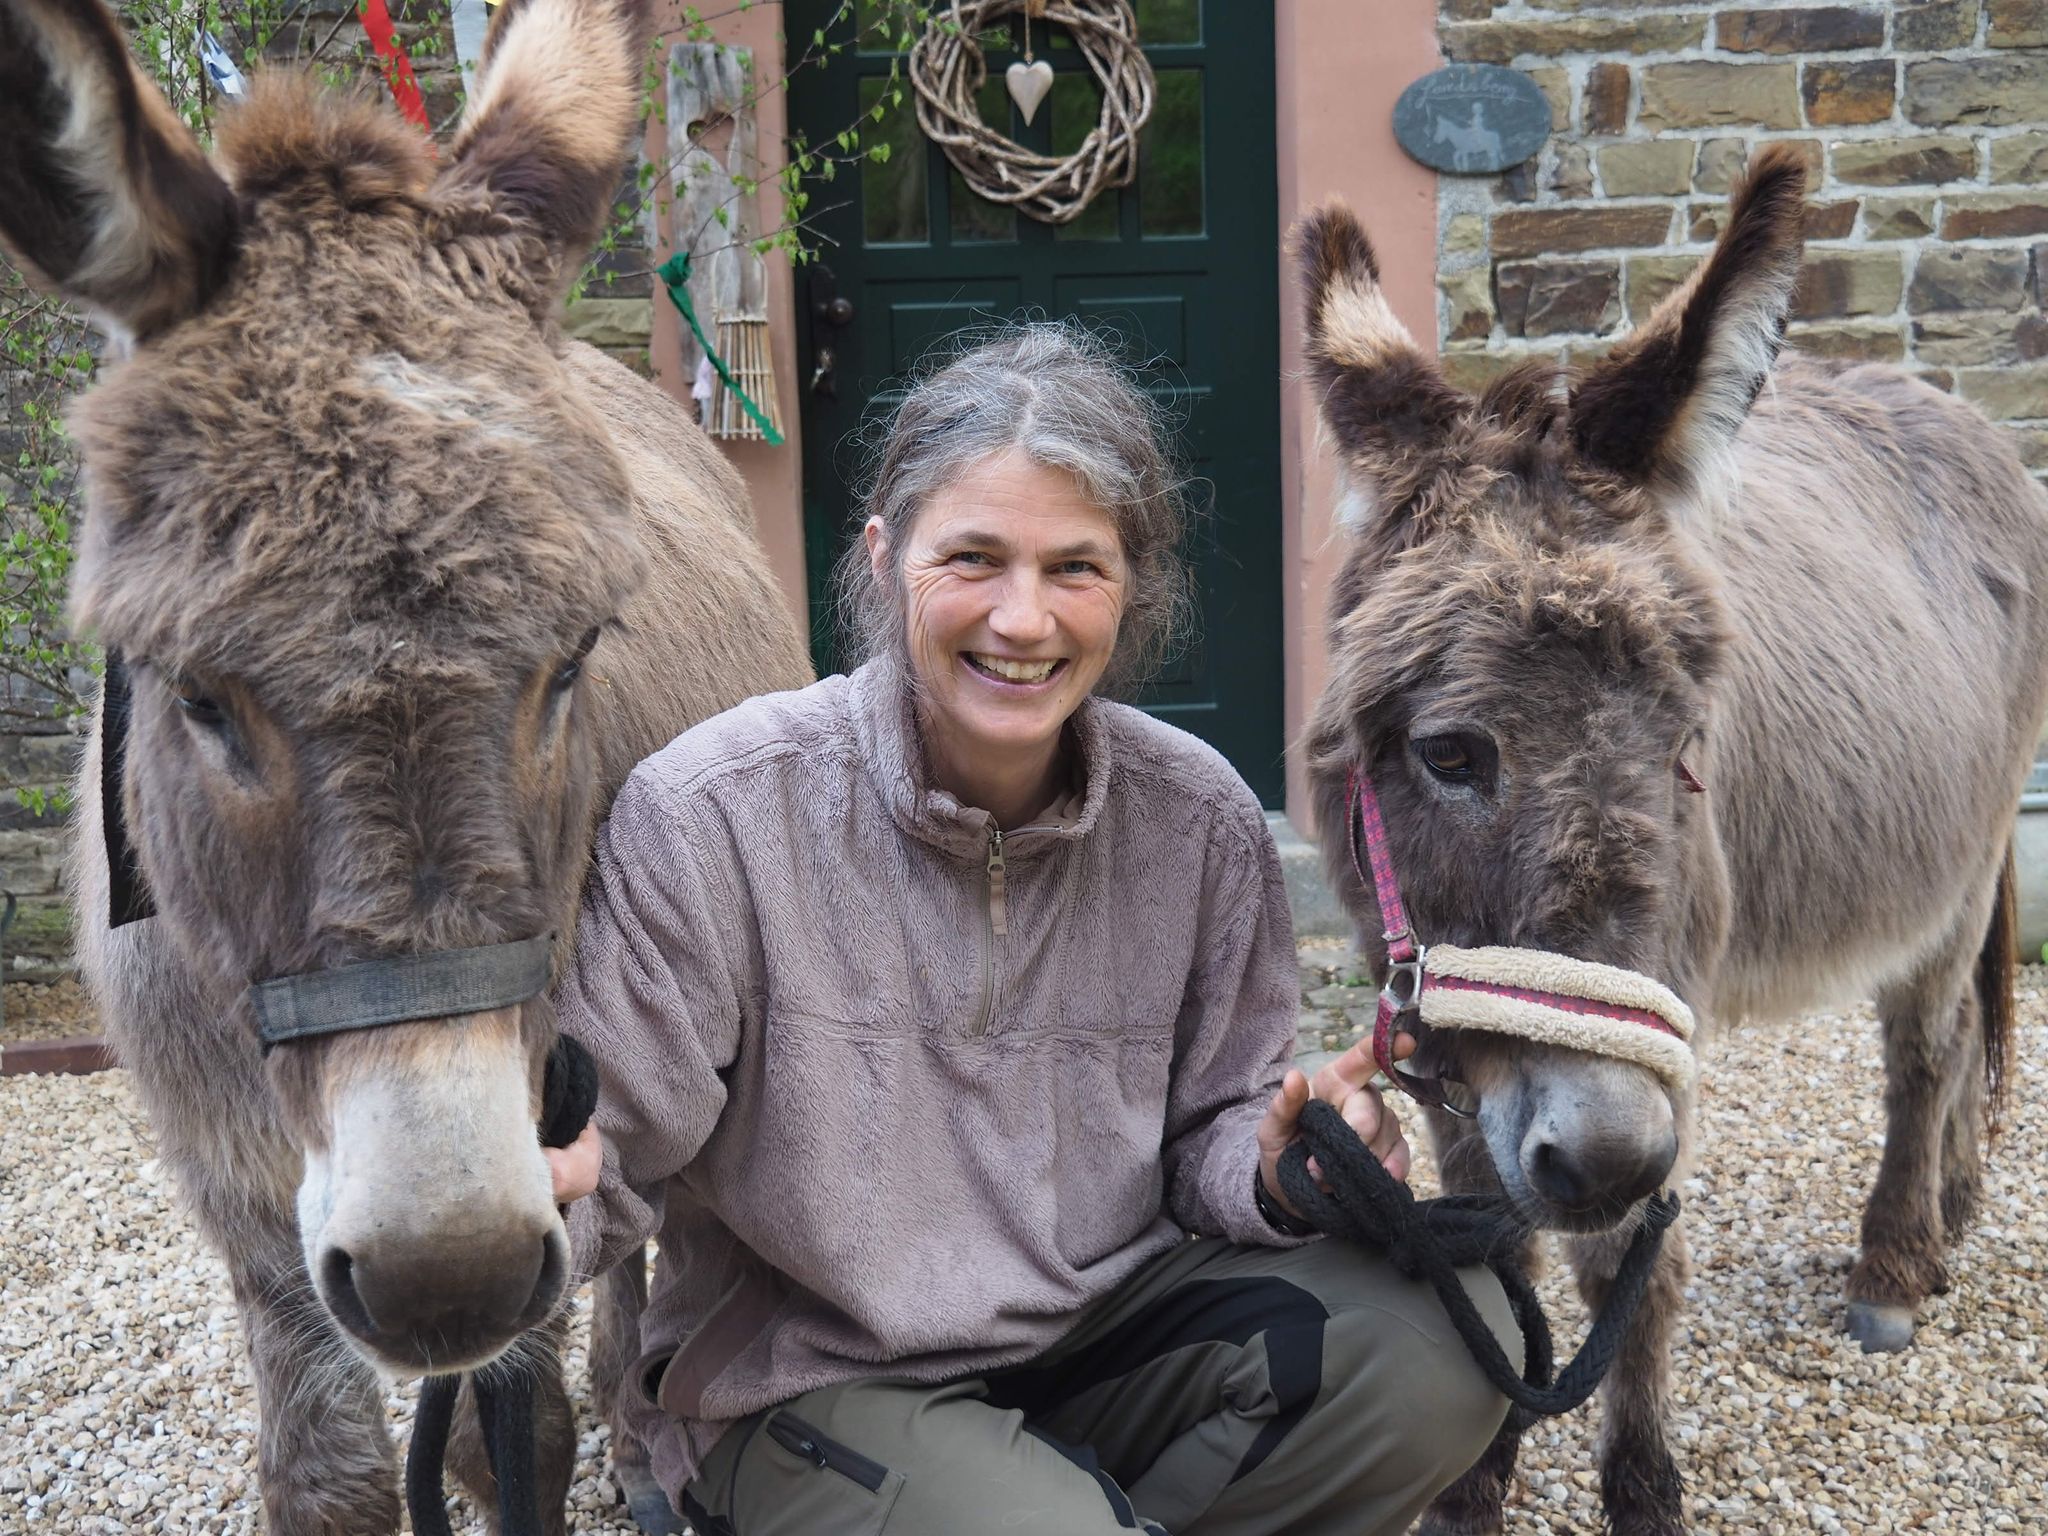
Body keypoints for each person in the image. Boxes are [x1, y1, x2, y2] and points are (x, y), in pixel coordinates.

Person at [546, 324, 1516, 1536]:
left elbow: (1210, 1136)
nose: (1021, 619)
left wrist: (1277, 1164)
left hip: (1103, 1340)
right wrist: (529, 1197)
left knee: (1444, 1340)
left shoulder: (1199, 820)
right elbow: (611, 1148)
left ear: (1131, 588)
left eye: (1074, 568)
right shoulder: (714, 813)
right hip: (815, 1381)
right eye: (972, 558)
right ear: (882, 557)